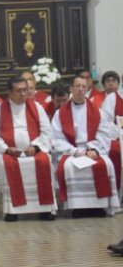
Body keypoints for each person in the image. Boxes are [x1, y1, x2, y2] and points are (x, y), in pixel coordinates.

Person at [0, 75, 56, 221]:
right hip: (9, 152)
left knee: (45, 161)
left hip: (33, 150)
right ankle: (13, 210)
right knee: (8, 164)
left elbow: (47, 131)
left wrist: (36, 147)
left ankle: (45, 209)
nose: (24, 93)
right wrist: (6, 149)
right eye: (19, 91)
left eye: (25, 90)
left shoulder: (37, 108)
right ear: (9, 93)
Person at [51, 76, 120, 217]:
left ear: (87, 89)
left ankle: (99, 206)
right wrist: (75, 151)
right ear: (71, 89)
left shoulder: (97, 111)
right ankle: (78, 208)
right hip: (71, 151)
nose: (81, 89)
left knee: (105, 164)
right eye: (77, 86)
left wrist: (94, 149)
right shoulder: (60, 113)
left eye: (83, 86)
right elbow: (56, 138)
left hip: (93, 149)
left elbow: (104, 134)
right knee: (69, 166)